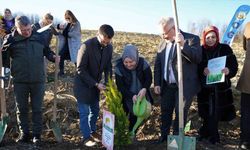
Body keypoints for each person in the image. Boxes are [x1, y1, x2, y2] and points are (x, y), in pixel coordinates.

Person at [1, 15, 59, 144]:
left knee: (37, 108)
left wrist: (53, 57)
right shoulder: (10, 40)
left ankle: (37, 135)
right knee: (21, 109)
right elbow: (4, 61)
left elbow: (47, 51)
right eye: (23, 30)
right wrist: (2, 52)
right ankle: (25, 134)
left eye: (28, 29)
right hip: (20, 80)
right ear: (17, 28)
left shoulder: (39, 36)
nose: (27, 32)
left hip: (38, 79)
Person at [153, 17, 202, 143]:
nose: (162, 36)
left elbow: (197, 58)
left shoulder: (192, 39)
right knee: (165, 110)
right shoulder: (162, 43)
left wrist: (183, 45)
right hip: (167, 85)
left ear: (174, 28)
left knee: (180, 113)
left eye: (164, 33)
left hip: (184, 86)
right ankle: (163, 136)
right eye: (161, 33)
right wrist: (157, 82)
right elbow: (158, 64)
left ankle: (175, 139)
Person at [73, 24, 114, 147]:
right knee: (84, 112)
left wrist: (108, 83)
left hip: (96, 86)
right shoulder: (86, 46)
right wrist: (95, 83)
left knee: (95, 110)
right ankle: (86, 137)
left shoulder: (109, 47)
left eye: (108, 42)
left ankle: (92, 131)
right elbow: (80, 69)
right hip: (83, 85)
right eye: (103, 41)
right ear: (98, 34)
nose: (105, 43)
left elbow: (108, 66)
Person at [197, 26, 238, 144]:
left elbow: (234, 65)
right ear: (204, 38)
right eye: (208, 37)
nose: (210, 40)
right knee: (206, 113)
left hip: (220, 88)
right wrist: (202, 70)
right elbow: (196, 66)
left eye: (213, 37)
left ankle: (214, 137)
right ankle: (205, 133)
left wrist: (228, 70)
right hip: (205, 88)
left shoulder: (225, 49)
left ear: (217, 37)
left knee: (215, 112)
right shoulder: (201, 50)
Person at [115, 44, 153, 133]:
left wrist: (144, 88)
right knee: (123, 113)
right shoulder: (119, 67)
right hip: (127, 94)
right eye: (126, 62)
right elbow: (120, 86)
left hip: (141, 93)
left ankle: (132, 133)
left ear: (136, 58)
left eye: (131, 62)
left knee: (136, 114)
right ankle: (120, 134)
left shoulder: (143, 63)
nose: (129, 65)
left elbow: (149, 78)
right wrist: (131, 95)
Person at [236, 22, 250, 150]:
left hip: (248, 76)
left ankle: (245, 141)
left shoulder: (249, 26)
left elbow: (245, 47)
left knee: (246, 110)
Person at [57, 10, 81, 76]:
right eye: (66, 18)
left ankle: (79, 72)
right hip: (66, 44)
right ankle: (61, 72)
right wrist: (59, 26)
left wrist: (64, 33)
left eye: (68, 18)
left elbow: (74, 34)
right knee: (60, 55)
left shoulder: (77, 23)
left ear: (71, 16)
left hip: (73, 44)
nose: (67, 19)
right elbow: (59, 26)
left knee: (76, 58)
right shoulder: (66, 23)